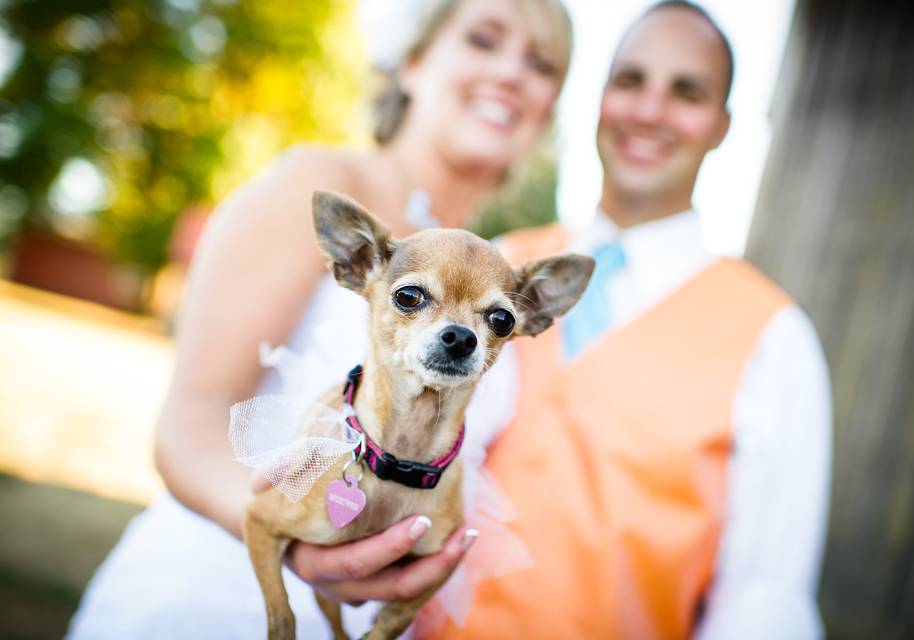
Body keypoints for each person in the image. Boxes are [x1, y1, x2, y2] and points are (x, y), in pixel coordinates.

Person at [67, 1, 572, 637]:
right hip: (208, 602)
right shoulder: (321, 183)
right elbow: (188, 424)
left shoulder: (502, 276)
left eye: (542, 63)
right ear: (411, 64)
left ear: (550, 108)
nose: (511, 73)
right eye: (484, 39)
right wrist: (300, 538)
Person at [414, 2, 832, 638]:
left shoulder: (775, 339)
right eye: (630, 81)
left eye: (686, 92)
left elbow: (761, 602)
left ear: (721, 126)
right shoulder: (490, 266)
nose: (649, 111)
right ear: (600, 96)